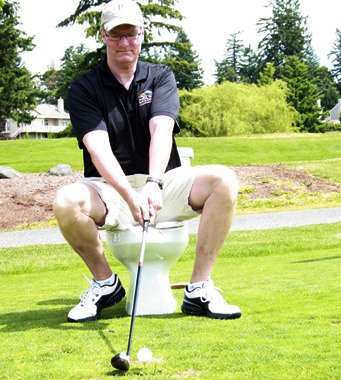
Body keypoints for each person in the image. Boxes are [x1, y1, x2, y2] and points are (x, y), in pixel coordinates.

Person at [53, 0, 241, 323]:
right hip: (111, 191)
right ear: (103, 36)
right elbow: (99, 150)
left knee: (224, 181)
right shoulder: (84, 87)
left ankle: (199, 288)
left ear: (142, 34)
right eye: (116, 35)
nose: (124, 42)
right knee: (65, 201)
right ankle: (104, 283)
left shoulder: (161, 76)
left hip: (163, 184)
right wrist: (130, 195)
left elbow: (162, 130)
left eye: (131, 33)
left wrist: (154, 184)